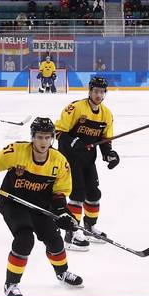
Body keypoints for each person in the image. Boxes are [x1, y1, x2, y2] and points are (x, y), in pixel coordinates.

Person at [0, 117, 83, 296]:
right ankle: (11, 284)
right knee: (24, 239)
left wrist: (62, 212)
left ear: (52, 139)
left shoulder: (59, 161)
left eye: (47, 137)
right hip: (13, 203)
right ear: (32, 137)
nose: (43, 142)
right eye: (39, 137)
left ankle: (62, 273)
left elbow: (59, 193)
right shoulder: (17, 151)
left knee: (55, 241)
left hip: (41, 205)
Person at [55, 75, 119, 251]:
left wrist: (109, 154)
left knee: (94, 194)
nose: (98, 95)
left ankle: (89, 228)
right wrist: (76, 142)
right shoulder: (75, 108)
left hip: (88, 160)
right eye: (95, 91)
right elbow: (59, 133)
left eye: (102, 92)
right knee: (77, 194)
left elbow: (105, 140)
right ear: (89, 91)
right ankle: (71, 233)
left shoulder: (106, 114)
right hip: (69, 158)